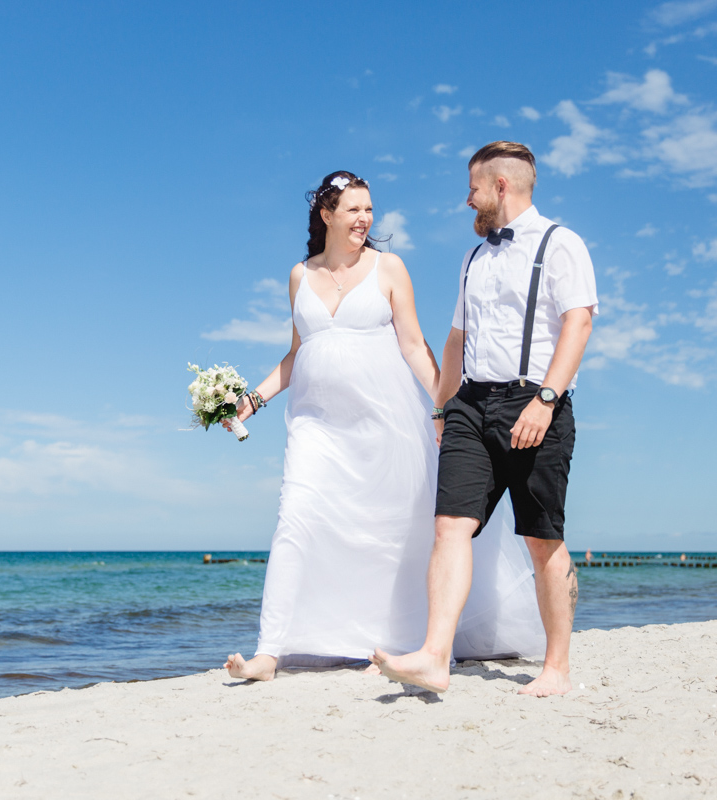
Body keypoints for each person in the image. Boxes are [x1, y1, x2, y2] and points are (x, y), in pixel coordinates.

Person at [223, 171, 545, 681]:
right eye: (354, 209)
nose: (365, 218)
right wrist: (250, 400)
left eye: (369, 209)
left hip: (384, 423)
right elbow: (296, 353)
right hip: (315, 426)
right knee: (296, 518)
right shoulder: (299, 275)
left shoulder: (389, 268)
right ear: (327, 215)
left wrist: (446, 406)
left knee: (391, 531)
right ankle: (269, 651)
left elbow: (415, 346)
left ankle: (396, 644)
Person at [373, 142, 598, 697]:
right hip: (470, 406)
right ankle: (433, 656)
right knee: (451, 525)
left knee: (541, 539)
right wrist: (443, 406)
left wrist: (545, 400)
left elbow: (579, 323)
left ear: (500, 186)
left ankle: (557, 669)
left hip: (535, 403)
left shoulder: (561, 244)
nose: (466, 199)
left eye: (472, 188)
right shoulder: (474, 258)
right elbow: (456, 340)